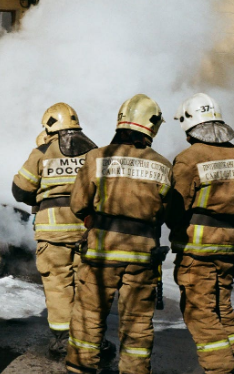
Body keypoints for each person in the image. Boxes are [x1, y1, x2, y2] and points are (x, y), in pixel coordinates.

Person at [66, 94, 172, 374]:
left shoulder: (97, 157)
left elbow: (78, 204)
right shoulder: (162, 165)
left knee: (88, 320)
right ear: (152, 126)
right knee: (137, 324)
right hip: (143, 256)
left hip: (101, 252)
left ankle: (81, 370)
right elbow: (166, 213)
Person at [168, 93, 234, 374]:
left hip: (198, 246)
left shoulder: (189, 158)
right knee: (222, 306)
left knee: (200, 311)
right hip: (230, 243)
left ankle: (221, 370)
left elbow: (175, 206)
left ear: (189, 123)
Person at [11, 103, 97, 355]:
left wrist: (40, 195)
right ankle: (89, 338)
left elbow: (20, 190)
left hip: (53, 232)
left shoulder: (41, 152)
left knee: (58, 284)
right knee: (86, 284)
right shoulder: (95, 152)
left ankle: (63, 340)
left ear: (49, 126)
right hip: (87, 231)